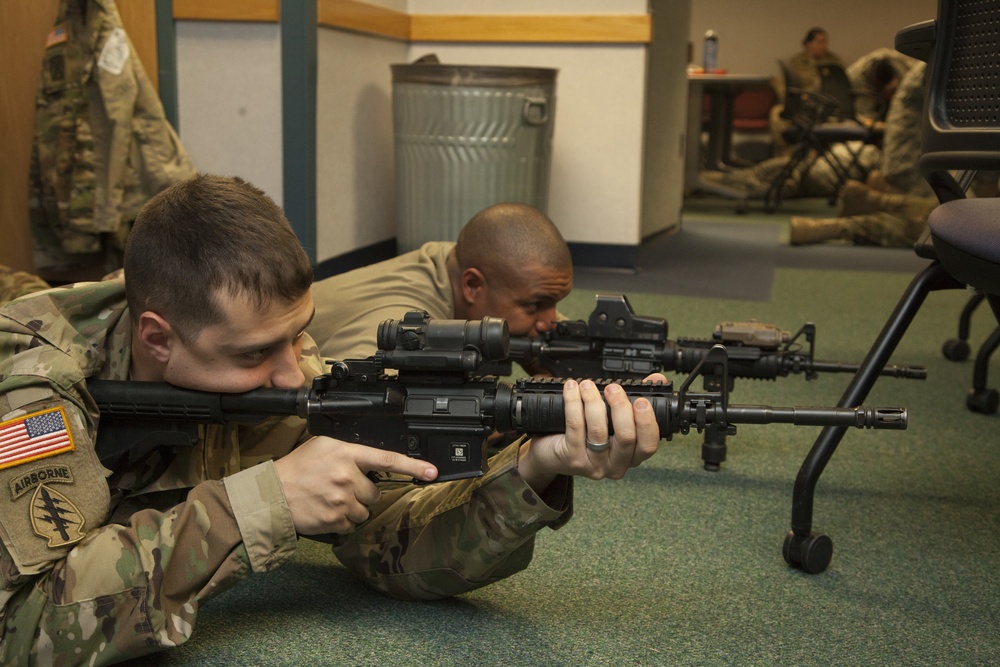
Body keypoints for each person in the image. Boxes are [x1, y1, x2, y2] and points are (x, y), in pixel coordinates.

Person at [0, 174, 663, 665]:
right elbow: (22, 625)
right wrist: (262, 504)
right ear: (157, 338)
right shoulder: (38, 386)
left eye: (298, 335)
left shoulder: (283, 369)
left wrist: (535, 466)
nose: (295, 372)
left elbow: (394, 547)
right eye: (256, 352)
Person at [309, 202, 573, 363]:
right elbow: (344, 404)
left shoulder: (462, 261)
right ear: (472, 286)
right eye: (536, 305)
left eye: (554, 303)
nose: (549, 322)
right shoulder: (404, 326)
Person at [770, 27, 845, 154]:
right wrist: (791, 99)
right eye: (819, 42)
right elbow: (781, 83)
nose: (824, 46)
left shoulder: (833, 61)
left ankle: (818, 155)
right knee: (776, 114)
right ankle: (786, 155)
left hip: (824, 105)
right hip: (801, 104)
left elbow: (842, 85)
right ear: (808, 44)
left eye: (825, 42)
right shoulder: (796, 62)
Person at [846, 48, 917, 127]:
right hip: (866, 108)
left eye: (893, 91)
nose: (892, 97)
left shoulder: (903, 67)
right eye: (888, 93)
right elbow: (866, 120)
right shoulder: (857, 79)